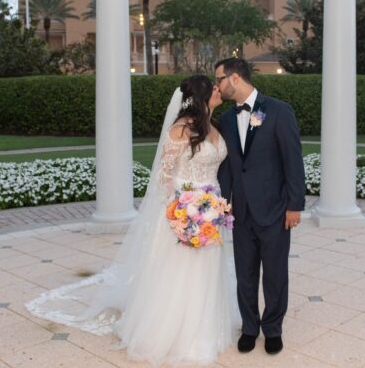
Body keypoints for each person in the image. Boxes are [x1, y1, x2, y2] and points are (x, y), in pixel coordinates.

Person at [26, 75, 239, 366]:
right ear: (201, 97)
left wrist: (212, 207)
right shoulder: (180, 130)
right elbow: (165, 177)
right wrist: (184, 209)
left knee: (207, 269)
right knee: (182, 273)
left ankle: (205, 329)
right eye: (213, 88)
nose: (218, 90)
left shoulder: (214, 126)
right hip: (185, 212)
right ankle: (174, 334)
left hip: (212, 212)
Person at [215, 57, 305, 355]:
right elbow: (227, 167)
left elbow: (293, 161)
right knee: (245, 273)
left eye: (220, 80)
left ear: (235, 77)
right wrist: (224, 203)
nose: (218, 85)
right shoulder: (226, 119)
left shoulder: (279, 111)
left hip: (275, 209)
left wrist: (295, 205)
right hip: (240, 212)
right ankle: (250, 328)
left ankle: (273, 328)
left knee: (276, 273)